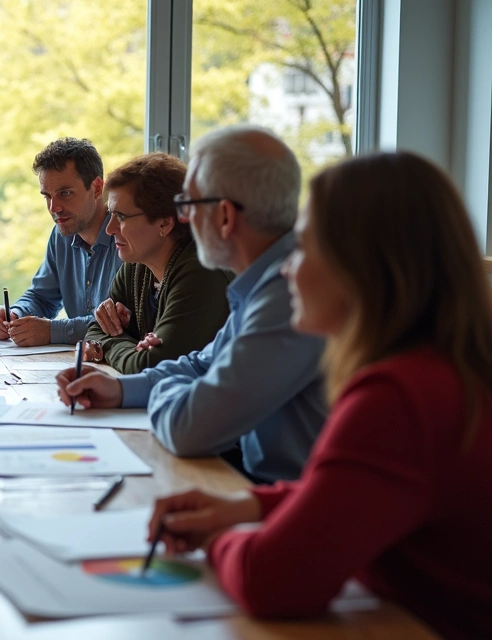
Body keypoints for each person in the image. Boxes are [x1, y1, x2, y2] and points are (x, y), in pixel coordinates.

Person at [147, 152, 492, 639]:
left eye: (303, 248)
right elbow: (355, 495)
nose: (287, 270)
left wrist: (220, 536)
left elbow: (272, 582)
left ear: (362, 267)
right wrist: (248, 507)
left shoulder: (396, 398)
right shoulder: (441, 372)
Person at [56, 125, 327, 483]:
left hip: (276, 497)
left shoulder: (289, 296)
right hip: (254, 487)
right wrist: (121, 389)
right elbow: (202, 365)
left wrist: (163, 383)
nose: (185, 219)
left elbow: (188, 429)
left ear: (225, 216)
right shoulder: (263, 284)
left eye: (189, 205)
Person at [83, 153, 232, 374]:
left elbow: (152, 366)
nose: (109, 229)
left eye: (121, 217)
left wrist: (106, 347)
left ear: (165, 223)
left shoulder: (202, 273)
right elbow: (96, 330)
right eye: (111, 215)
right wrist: (126, 346)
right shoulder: (137, 264)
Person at [0, 137, 124, 346]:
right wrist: (14, 315)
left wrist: (54, 331)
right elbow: (42, 297)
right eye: (47, 196)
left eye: (65, 193)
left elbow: (121, 323)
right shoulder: (61, 234)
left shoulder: (128, 236)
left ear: (97, 188)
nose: (54, 208)